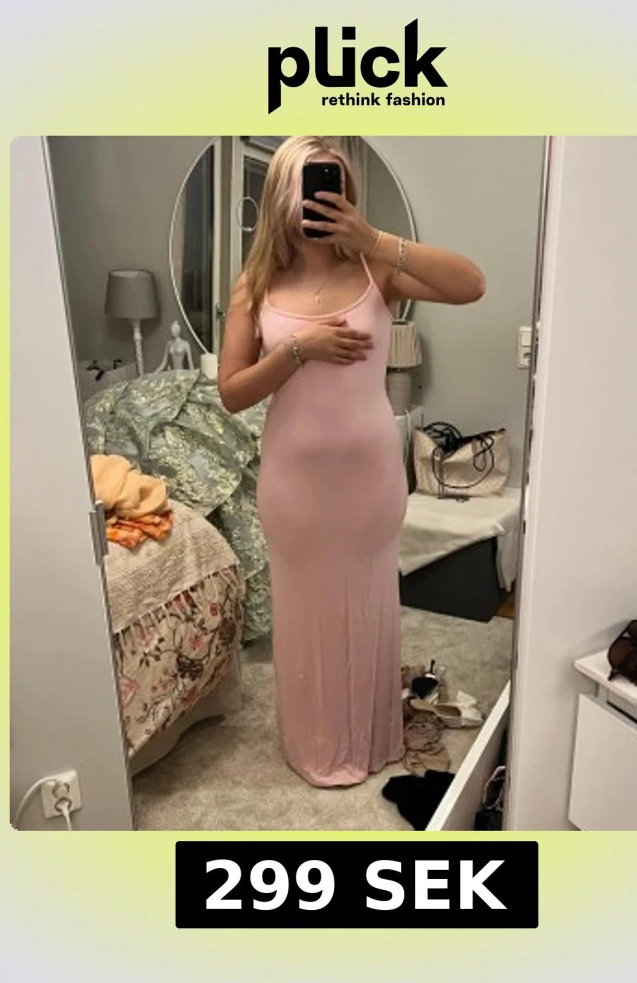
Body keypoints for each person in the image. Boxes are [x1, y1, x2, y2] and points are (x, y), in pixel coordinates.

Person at [218, 136, 485, 787]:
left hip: (368, 481)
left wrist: (374, 239)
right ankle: (316, 742)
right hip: (294, 483)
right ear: (284, 192)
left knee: (368, 606)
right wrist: (298, 350)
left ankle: (368, 737)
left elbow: (471, 285)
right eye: (312, 182)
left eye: (335, 182)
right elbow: (232, 392)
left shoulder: (377, 271)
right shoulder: (256, 286)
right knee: (306, 613)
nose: (324, 195)